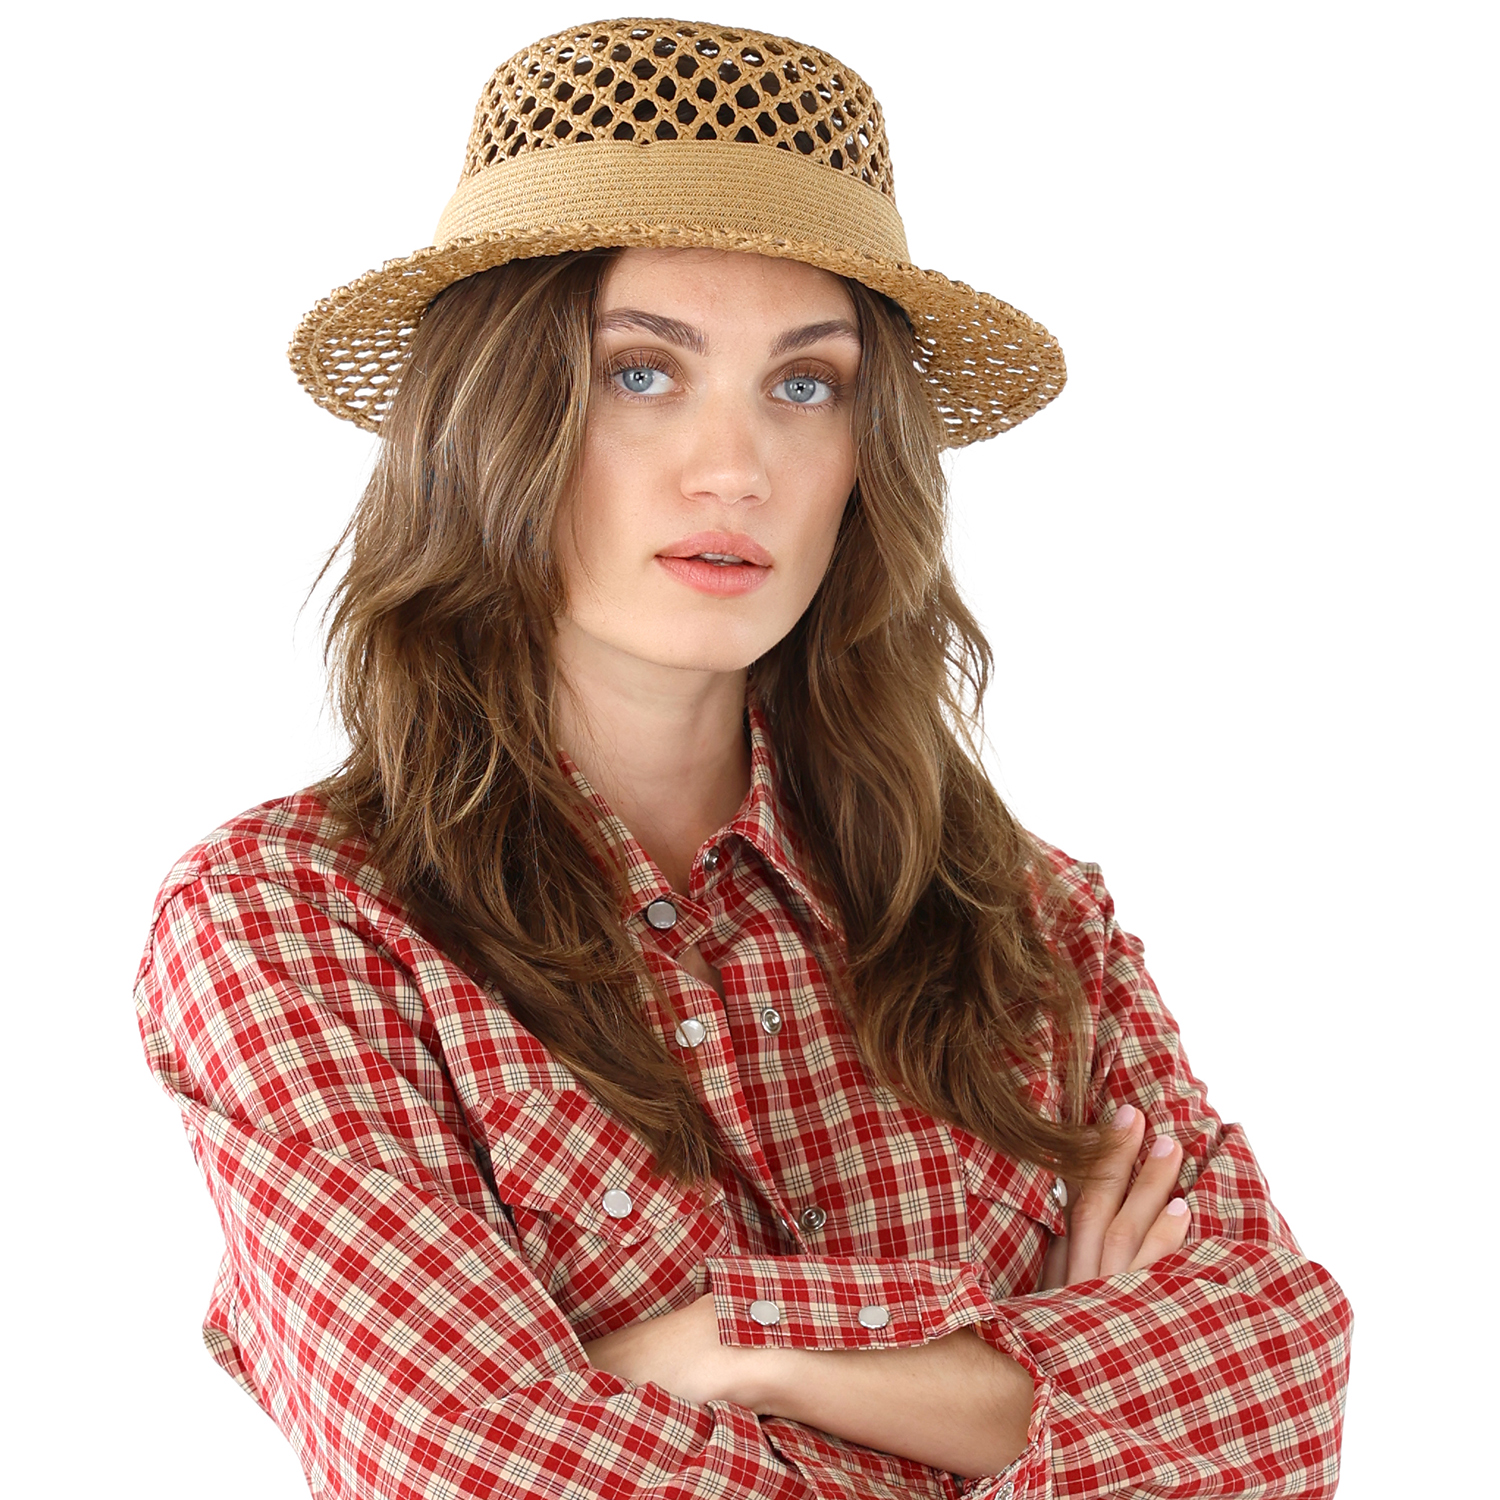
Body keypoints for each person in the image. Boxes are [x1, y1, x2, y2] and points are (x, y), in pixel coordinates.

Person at [134, 17, 1352, 1499]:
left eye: (808, 384)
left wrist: (734, 1348)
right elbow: (460, 1464)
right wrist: (1030, 1389)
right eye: (641, 372)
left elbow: (1284, 1398)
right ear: (487, 421)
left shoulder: (1033, 923)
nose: (737, 467)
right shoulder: (296, 923)